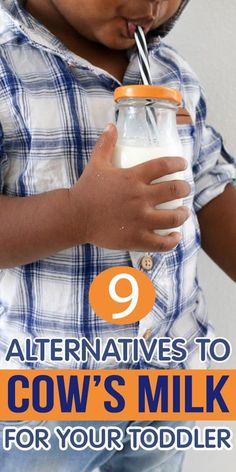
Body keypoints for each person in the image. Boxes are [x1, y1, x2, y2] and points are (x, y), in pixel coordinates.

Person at [0, 0, 235, 471]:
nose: (150, 6)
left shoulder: (172, 72)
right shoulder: (7, 68)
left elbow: (209, 185)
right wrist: (76, 216)